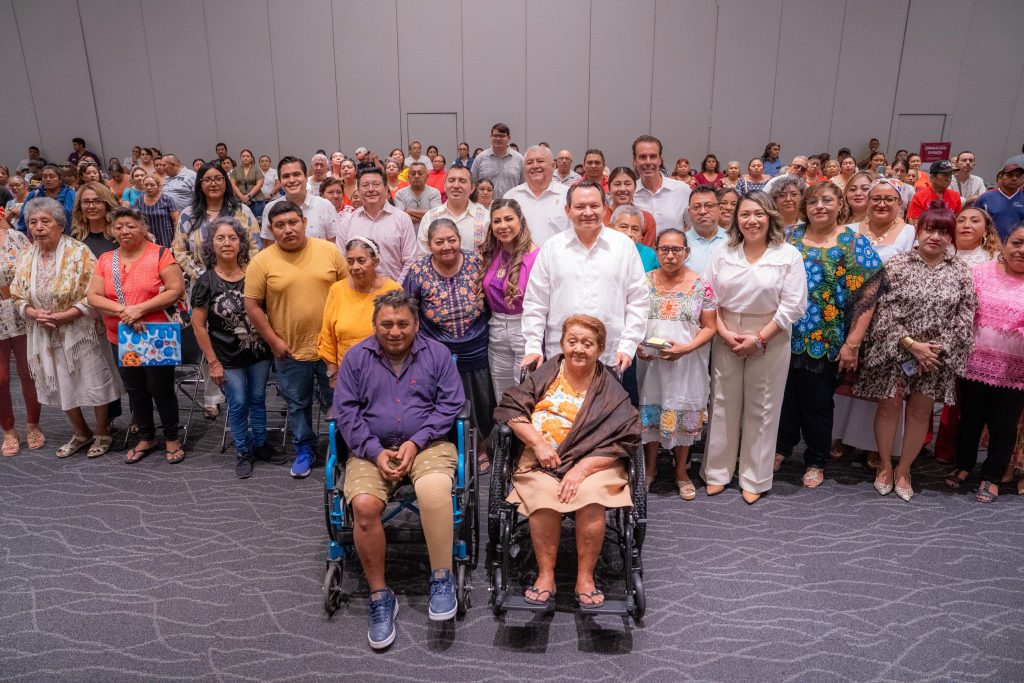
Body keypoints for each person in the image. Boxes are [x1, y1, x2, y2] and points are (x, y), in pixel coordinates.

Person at [333, 290, 466, 648]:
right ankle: (380, 596)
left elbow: (451, 404)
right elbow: (346, 412)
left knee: (434, 490)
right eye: (387, 324)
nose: (395, 331)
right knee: (363, 505)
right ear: (374, 325)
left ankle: (442, 576)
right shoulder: (356, 358)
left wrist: (416, 441)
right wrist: (374, 452)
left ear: (417, 324)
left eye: (403, 324)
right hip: (370, 449)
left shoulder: (437, 354)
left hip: (428, 444)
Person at [494, 314, 640, 610]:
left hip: (595, 463)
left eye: (588, 343)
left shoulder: (610, 387)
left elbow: (628, 433)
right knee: (543, 497)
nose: (578, 349)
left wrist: (582, 468)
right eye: (572, 341)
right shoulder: (546, 374)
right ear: (561, 344)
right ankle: (545, 576)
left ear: (600, 349)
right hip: (541, 460)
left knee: (592, 498)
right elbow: (511, 408)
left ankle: (585, 578)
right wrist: (538, 444)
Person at [854, 202, 977, 501]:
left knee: (921, 411)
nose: (935, 237)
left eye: (943, 232)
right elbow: (882, 311)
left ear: (951, 237)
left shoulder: (961, 272)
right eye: (929, 230)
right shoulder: (896, 265)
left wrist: (934, 350)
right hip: (894, 352)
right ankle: (885, 465)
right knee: (889, 407)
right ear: (918, 231)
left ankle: (905, 469)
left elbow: (965, 316)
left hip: (934, 359)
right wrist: (911, 344)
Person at [776, 182, 882, 489]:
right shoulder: (788, 236)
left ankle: (816, 460)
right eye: (813, 201)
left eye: (826, 200)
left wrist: (853, 343)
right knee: (782, 398)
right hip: (782, 333)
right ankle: (781, 448)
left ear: (840, 205)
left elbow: (868, 298)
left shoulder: (853, 242)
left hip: (826, 337)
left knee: (818, 403)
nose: (819, 206)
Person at [702, 191, 807, 503]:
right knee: (722, 402)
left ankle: (755, 477)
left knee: (763, 406)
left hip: (770, 334)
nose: (752, 220)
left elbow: (793, 305)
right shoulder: (723, 251)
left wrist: (760, 338)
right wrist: (723, 331)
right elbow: (708, 295)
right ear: (736, 219)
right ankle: (717, 472)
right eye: (745, 214)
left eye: (759, 214)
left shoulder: (788, 254)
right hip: (726, 332)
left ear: (770, 217)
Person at [12, 198, 123, 459]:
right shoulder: (26, 256)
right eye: (32, 222)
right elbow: (16, 295)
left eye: (45, 221)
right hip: (43, 329)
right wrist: (32, 312)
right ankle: (81, 432)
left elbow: (96, 292)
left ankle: (102, 431)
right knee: (61, 382)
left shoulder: (79, 252)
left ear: (60, 225)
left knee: (94, 379)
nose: (38, 227)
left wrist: (69, 314)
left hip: (80, 328)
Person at [245, 201, 347, 478]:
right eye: (280, 225)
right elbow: (252, 306)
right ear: (271, 229)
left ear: (304, 222)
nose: (288, 229)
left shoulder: (329, 251)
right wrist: (273, 341)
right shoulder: (262, 261)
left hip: (332, 350)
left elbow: (349, 291)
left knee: (339, 403)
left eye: (293, 222)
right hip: (289, 350)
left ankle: (343, 452)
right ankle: (304, 450)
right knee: (298, 405)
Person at [87, 207, 186, 464]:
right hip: (122, 335)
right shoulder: (106, 259)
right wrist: (126, 312)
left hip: (156, 335)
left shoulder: (161, 254)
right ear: (112, 231)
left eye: (131, 226)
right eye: (119, 227)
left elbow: (175, 289)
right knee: (135, 389)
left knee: (161, 387)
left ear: (143, 228)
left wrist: (140, 309)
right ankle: (146, 436)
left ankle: (172, 437)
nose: (124, 231)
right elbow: (93, 296)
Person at [522, 181, 649, 379]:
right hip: (561, 356)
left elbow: (638, 300)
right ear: (568, 210)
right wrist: (533, 346)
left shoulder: (624, 246)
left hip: (612, 357)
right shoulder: (552, 248)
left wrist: (628, 345)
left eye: (594, 206)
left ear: (604, 208)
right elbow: (536, 302)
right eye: (580, 206)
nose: (587, 212)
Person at [831, 179, 918, 467]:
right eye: (876, 198)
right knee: (847, 377)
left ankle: (874, 444)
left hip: (889, 317)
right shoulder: (849, 230)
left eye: (889, 199)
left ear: (899, 203)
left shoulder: (909, 233)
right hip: (851, 313)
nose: (881, 203)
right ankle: (840, 435)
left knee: (880, 381)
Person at [191, 217, 281, 478]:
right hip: (227, 357)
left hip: (259, 352)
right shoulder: (205, 281)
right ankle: (243, 450)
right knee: (239, 402)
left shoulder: (255, 273)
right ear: (211, 244)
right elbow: (199, 326)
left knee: (258, 398)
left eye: (232, 238)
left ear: (241, 242)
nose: (227, 243)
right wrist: (213, 363)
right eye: (220, 238)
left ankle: (261, 444)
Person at [404, 219, 494, 472]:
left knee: (481, 403)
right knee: (441, 404)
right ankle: (446, 450)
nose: (446, 246)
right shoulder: (418, 270)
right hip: (437, 354)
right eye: (439, 241)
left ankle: (481, 447)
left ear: (459, 240)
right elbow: (408, 309)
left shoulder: (476, 262)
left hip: (477, 349)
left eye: (451, 240)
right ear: (429, 244)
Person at [944, 226, 1024, 502]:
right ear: (1005, 244)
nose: (1021, 250)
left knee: (1004, 425)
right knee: (970, 419)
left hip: (1014, 371)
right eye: (1017, 243)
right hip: (972, 363)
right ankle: (964, 465)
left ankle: (991, 476)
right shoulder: (979, 273)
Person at [637, 229, 717, 498]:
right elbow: (632, 319)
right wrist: (638, 346)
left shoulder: (701, 285)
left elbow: (710, 327)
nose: (670, 255)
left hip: (688, 363)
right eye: (664, 249)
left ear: (687, 252)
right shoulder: (644, 282)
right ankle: (649, 469)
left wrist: (686, 348)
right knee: (651, 413)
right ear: (656, 251)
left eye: (676, 250)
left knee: (684, 411)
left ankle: (681, 471)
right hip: (653, 364)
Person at [478, 199, 539, 398]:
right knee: (501, 393)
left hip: (524, 330)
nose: (503, 226)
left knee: (525, 393)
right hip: (496, 330)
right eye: (497, 221)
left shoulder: (536, 257)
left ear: (520, 220)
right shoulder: (492, 252)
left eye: (508, 219)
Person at [319, 236, 401, 382]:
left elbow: (403, 334)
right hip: (347, 374)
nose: (355, 267)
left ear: (375, 262)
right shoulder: (337, 290)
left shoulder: (393, 290)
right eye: (350, 262)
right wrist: (332, 373)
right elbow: (327, 336)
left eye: (361, 261)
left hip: (385, 375)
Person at [173, 161, 262, 288]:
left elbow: (255, 247)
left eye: (218, 179)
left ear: (226, 182)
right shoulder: (188, 214)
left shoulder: (242, 212)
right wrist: (203, 277)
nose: (213, 184)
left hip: (241, 282)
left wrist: (242, 273)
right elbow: (180, 250)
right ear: (200, 184)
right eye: (207, 180)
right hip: (203, 284)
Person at [0, 206, 42, 456]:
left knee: (29, 372)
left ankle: (33, 424)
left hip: (19, 310)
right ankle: (8, 430)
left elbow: (32, 271)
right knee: (1, 378)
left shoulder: (16, 238)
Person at [336, 166, 419, 282]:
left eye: (376, 184)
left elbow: (410, 261)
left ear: (386, 189)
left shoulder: (402, 219)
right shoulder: (347, 221)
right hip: (357, 290)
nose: (370, 189)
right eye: (365, 185)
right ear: (358, 191)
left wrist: (397, 289)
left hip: (395, 289)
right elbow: (342, 260)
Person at [259, 156, 340, 247]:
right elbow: (268, 247)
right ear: (280, 181)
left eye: (296, 174)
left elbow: (334, 246)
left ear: (306, 177)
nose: (292, 180)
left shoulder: (325, 206)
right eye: (286, 176)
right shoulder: (270, 208)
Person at [502, 146, 570, 247]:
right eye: (529, 162)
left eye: (540, 161)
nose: (534, 166)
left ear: (553, 165)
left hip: (558, 256)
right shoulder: (511, 197)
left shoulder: (568, 195)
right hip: (519, 256)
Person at [419, 165, 489, 253]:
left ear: (472, 188)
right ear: (444, 186)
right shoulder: (430, 217)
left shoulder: (486, 217)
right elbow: (423, 254)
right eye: (451, 180)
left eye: (462, 181)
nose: (456, 185)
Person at [632, 135, 690, 232]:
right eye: (642, 157)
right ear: (634, 161)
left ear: (660, 160)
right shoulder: (630, 192)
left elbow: (694, 227)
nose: (648, 162)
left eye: (653, 157)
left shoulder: (682, 190)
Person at [604, 167, 657, 248]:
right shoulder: (601, 216)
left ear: (635, 187)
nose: (622, 189)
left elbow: (647, 253)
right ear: (609, 188)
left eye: (627, 184)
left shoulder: (646, 218)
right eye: (617, 184)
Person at [471, 123, 525, 199]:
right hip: (485, 205)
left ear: (509, 138)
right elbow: (473, 183)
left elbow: (523, 185)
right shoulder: (480, 158)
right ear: (491, 137)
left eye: (502, 136)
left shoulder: (519, 159)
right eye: (495, 136)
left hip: (511, 204)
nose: (498, 139)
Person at [684, 185, 728, 275]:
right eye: (696, 207)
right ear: (689, 212)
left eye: (709, 206)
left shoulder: (733, 240)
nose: (703, 211)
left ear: (720, 209)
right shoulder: (681, 243)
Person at [974, 163, 1024, 240]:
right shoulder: (985, 198)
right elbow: (975, 223)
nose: (1014, 178)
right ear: (1001, 177)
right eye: (1010, 175)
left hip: (1018, 244)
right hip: (991, 243)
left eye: (1018, 176)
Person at [19, 165, 75, 233]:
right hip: (38, 234)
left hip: (65, 234)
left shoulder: (70, 194)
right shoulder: (34, 194)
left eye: (52, 176)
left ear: (60, 179)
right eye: (44, 177)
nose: (48, 179)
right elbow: (23, 218)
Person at [609, 205, 658, 272]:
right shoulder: (602, 250)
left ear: (641, 233)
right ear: (611, 228)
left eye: (635, 229)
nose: (629, 233)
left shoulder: (648, 254)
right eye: (624, 227)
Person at [394, 162, 442, 230]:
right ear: (408, 177)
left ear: (427, 176)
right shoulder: (400, 194)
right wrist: (427, 216)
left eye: (420, 173)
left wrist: (409, 211)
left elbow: (436, 216)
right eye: (413, 174)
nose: (416, 176)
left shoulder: (434, 193)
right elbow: (400, 218)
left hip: (429, 233)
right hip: (407, 233)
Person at [231, 149, 265, 220]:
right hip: (239, 200)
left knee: (258, 221)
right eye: (243, 156)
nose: (245, 158)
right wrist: (241, 197)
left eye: (247, 156)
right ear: (240, 158)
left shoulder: (257, 169)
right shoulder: (235, 170)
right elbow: (233, 184)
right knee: (241, 222)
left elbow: (259, 184)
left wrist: (248, 196)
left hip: (257, 201)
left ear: (251, 158)